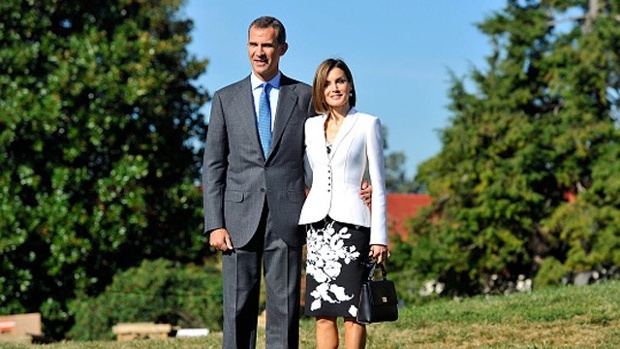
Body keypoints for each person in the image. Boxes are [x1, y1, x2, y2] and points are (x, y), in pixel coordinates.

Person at [202, 17, 371, 349]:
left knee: (284, 311)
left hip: (288, 217)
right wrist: (214, 224)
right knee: (237, 310)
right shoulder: (225, 99)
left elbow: (327, 151)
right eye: (253, 44)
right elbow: (213, 165)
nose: (259, 52)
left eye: (267, 45)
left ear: (282, 49)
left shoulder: (305, 96)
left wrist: (356, 184)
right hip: (236, 221)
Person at [298, 58, 389, 349]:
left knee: (353, 312)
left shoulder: (367, 124)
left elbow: (379, 184)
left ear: (350, 86)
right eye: (327, 83)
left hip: (353, 229)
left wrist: (380, 238)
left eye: (340, 81)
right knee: (322, 314)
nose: (334, 88)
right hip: (318, 229)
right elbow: (301, 170)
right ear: (319, 91)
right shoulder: (310, 127)